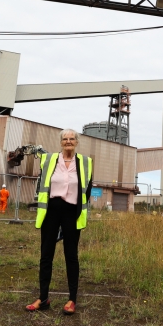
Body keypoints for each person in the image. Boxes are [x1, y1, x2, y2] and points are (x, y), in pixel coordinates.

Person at [25, 128, 93, 315]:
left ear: (76, 142)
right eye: (65, 139)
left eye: (72, 138)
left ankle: (72, 299)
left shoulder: (86, 163)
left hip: (72, 211)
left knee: (71, 256)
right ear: (61, 142)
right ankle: (43, 298)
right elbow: (43, 184)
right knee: (46, 254)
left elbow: (87, 190)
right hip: (51, 210)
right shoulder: (49, 160)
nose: (68, 141)